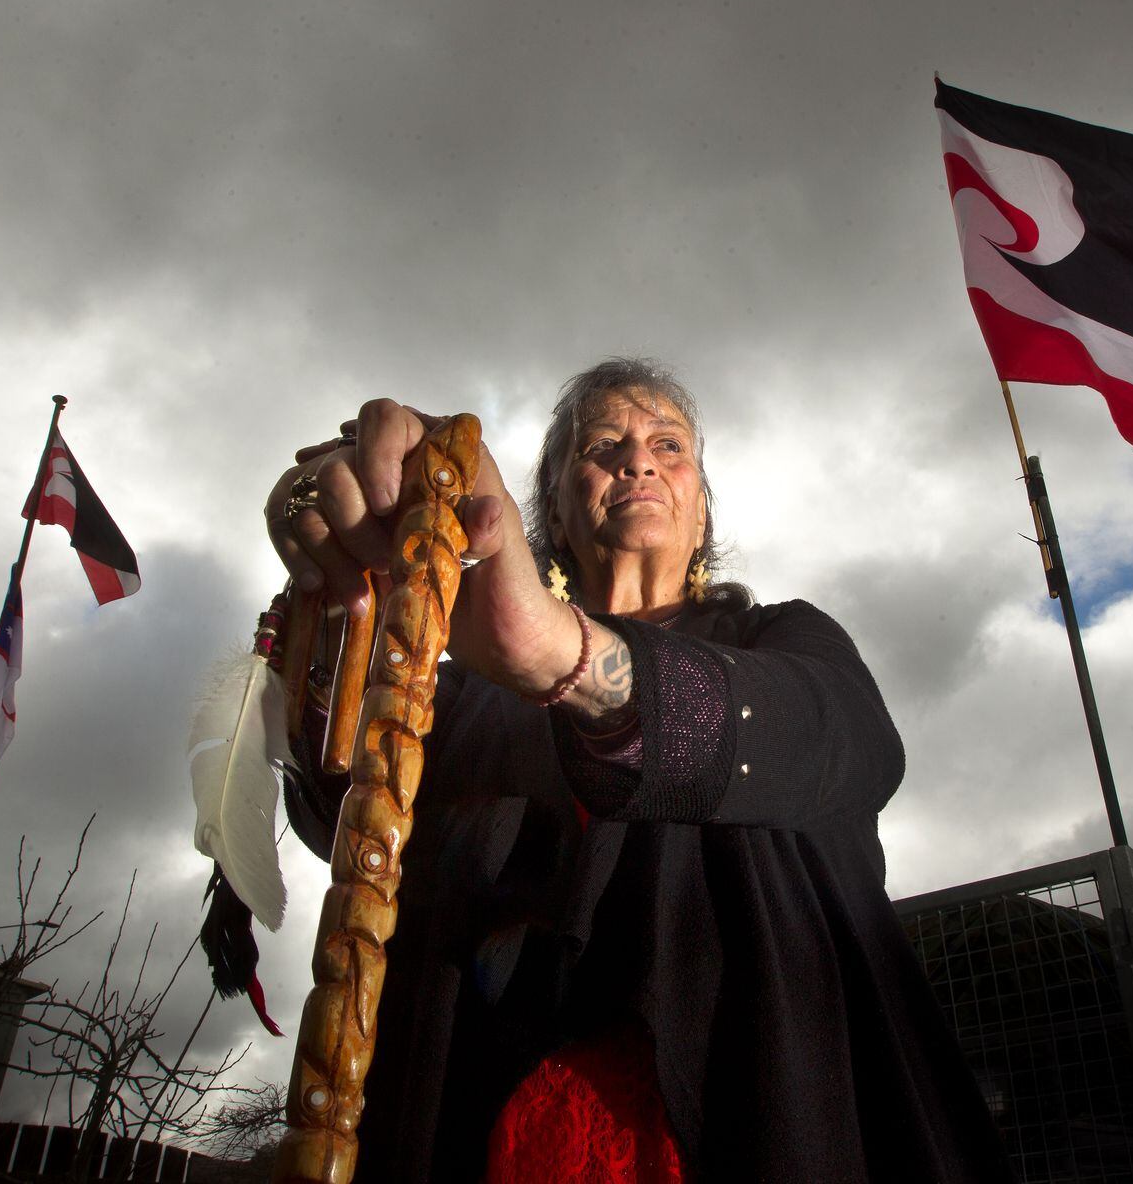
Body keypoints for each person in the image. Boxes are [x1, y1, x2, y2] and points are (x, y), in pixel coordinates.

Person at [263, 358, 1008, 1182]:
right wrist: (337, 606)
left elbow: (850, 744)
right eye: (603, 445)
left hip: (752, 1122)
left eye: (668, 445)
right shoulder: (468, 695)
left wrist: (559, 652)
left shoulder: (782, 644)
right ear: (547, 506)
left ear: (700, 509)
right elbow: (347, 813)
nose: (638, 460)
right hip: (469, 1128)